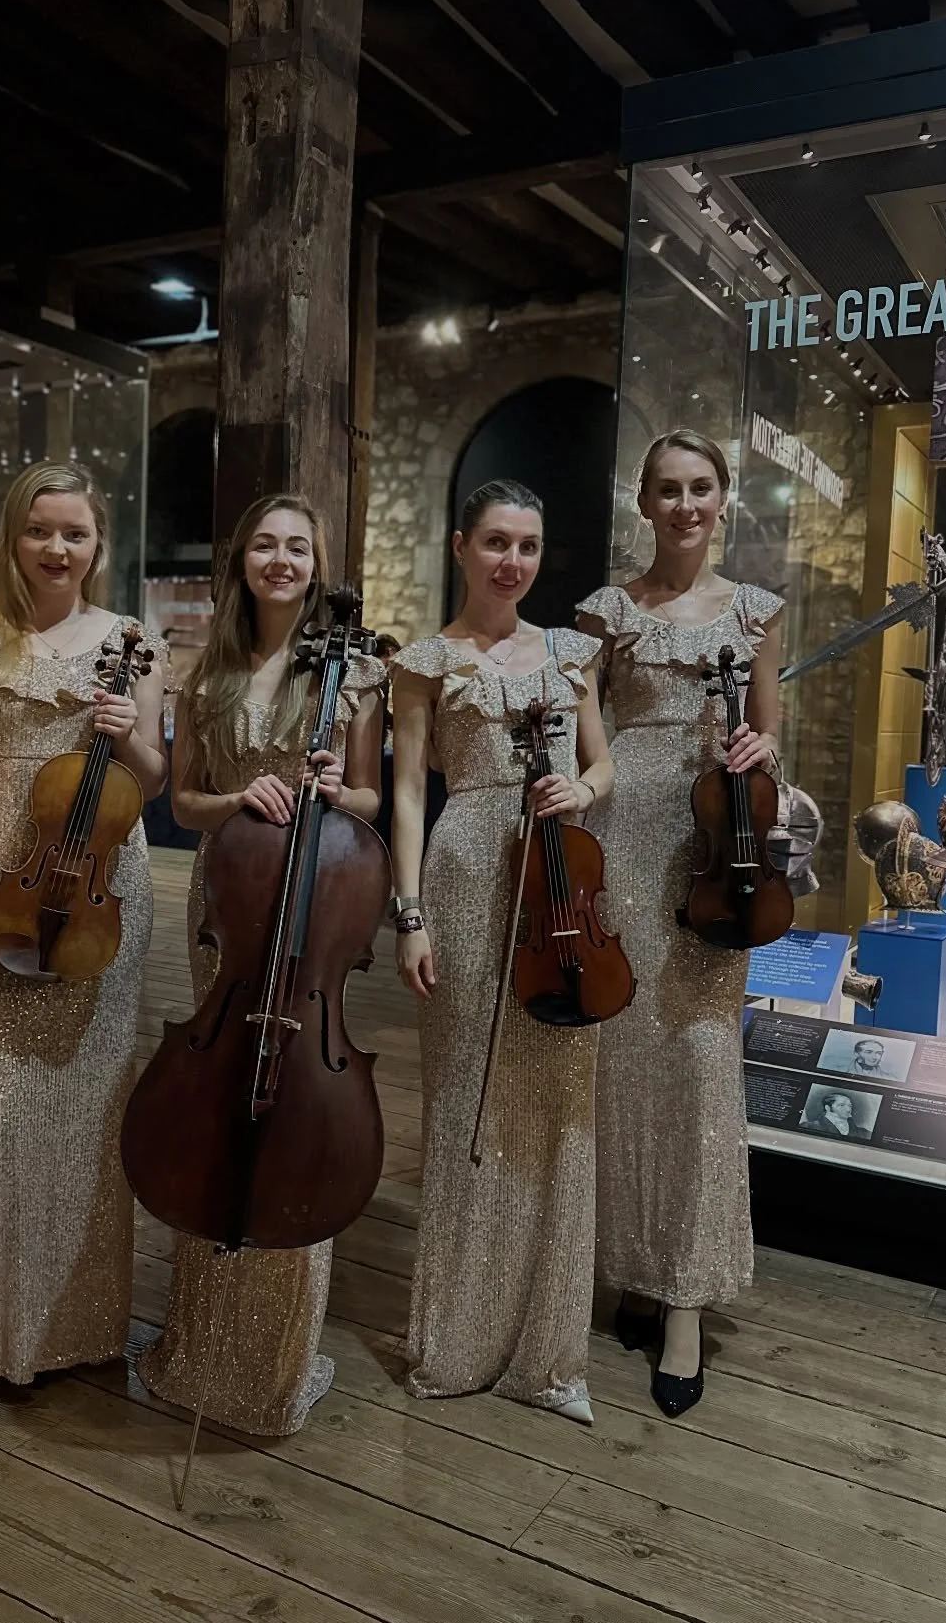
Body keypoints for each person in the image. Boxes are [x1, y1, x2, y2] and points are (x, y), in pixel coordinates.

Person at [0, 461, 168, 1402]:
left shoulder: (133, 641)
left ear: (99, 545)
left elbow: (155, 778)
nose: (57, 548)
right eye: (39, 530)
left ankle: (78, 1330)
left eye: (75, 533)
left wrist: (127, 733)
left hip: (101, 885)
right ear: (12, 535)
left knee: (89, 1105)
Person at [136, 494, 384, 1435]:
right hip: (231, 903)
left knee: (295, 1106)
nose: (281, 561)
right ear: (242, 560)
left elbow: (369, 798)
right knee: (217, 1093)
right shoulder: (206, 671)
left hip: (317, 898)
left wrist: (335, 789)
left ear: (317, 565)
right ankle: (199, 1341)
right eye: (265, 546)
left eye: (298, 549)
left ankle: (273, 1359)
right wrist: (241, 796)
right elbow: (184, 805)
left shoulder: (352, 673)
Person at [390, 479, 611, 1422]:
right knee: (465, 1102)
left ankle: (549, 1356)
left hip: (560, 881)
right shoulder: (424, 662)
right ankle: (455, 1340)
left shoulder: (571, 653)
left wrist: (582, 792)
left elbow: (603, 761)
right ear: (461, 547)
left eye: (527, 546)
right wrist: (410, 915)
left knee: (559, 1102)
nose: (511, 562)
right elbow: (408, 793)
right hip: (467, 871)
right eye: (495, 543)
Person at [577, 430, 783, 1418]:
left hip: (713, 848)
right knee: (628, 1063)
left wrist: (759, 747)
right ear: (644, 503)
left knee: (700, 1063)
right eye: (668, 489)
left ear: (723, 498)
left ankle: (688, 1299)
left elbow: (770, 730)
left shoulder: (756, 611)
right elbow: (588, 737)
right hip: (626, 837)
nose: (685, 505)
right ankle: (636, 1267)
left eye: (701, 488)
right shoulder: (606, 613)